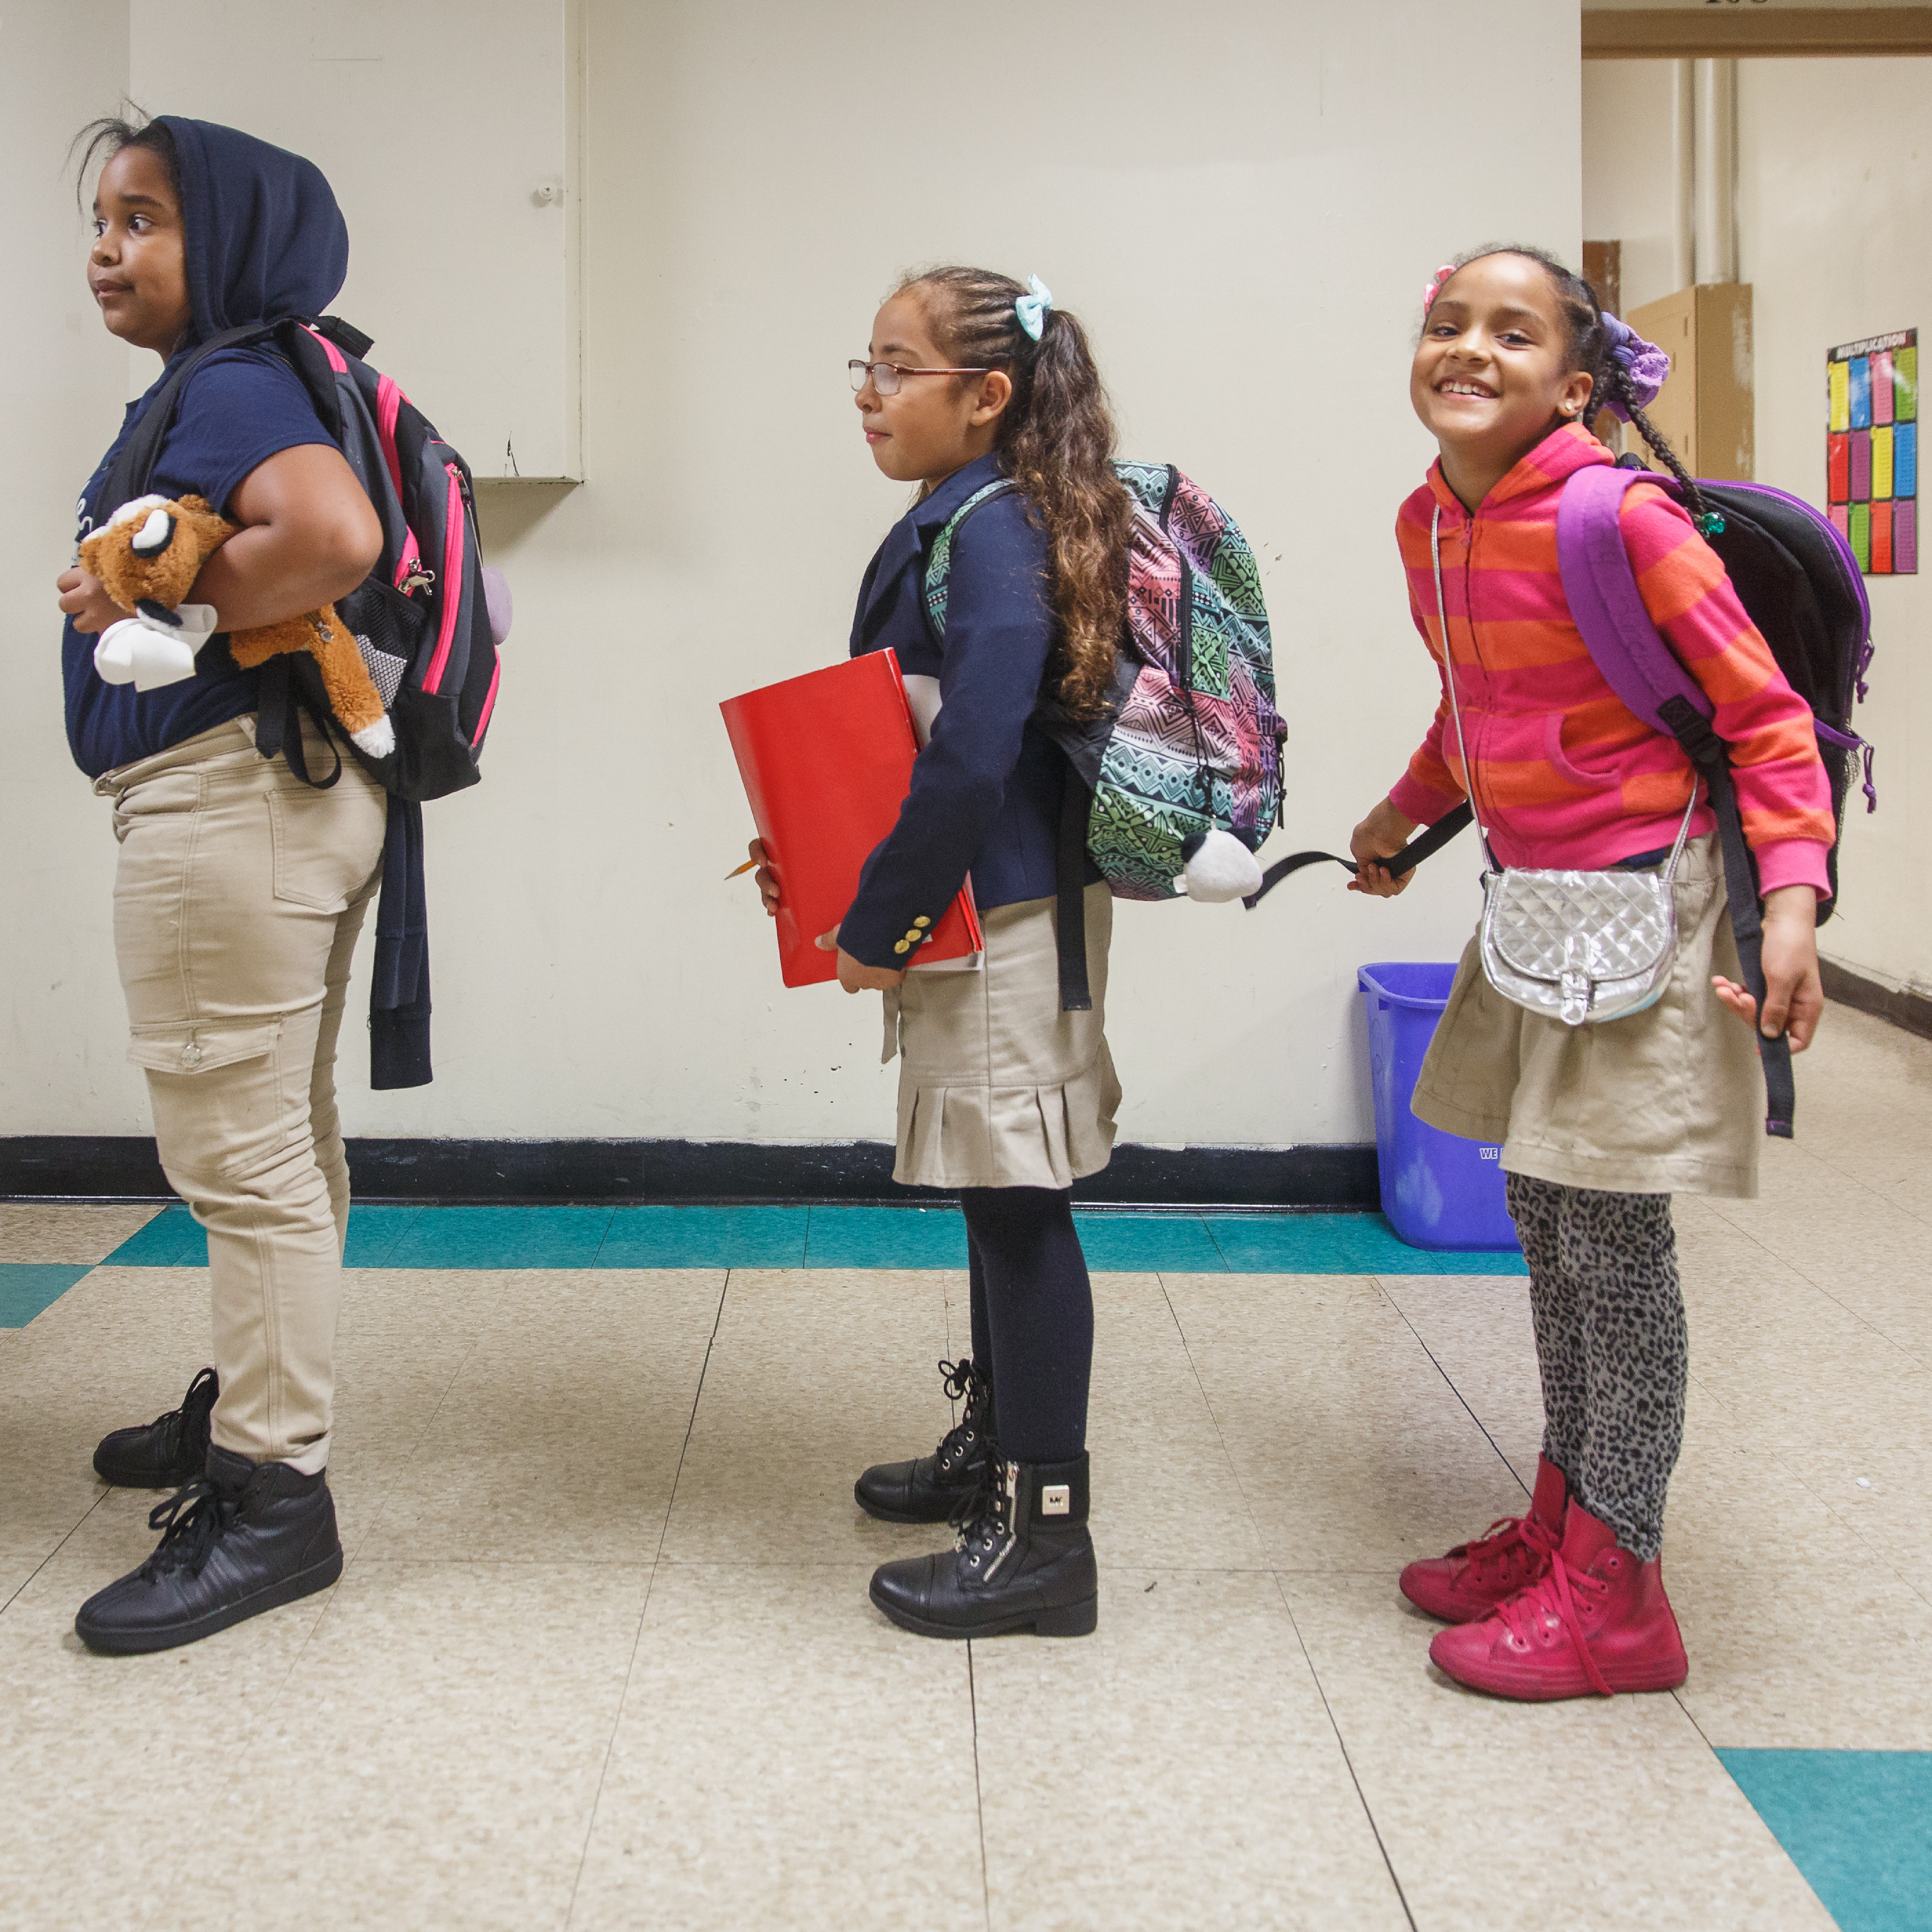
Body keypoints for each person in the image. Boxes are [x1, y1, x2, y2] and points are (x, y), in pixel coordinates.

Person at [1349, 247, 1833, 1699]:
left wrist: (1793, 910)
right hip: (1536, 907)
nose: (1469, 349)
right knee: (1547, 1219)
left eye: (1514, 331)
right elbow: (1476, 712)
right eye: (1447, 324)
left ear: (1577, 383)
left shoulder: (1619, 517)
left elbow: (1767, 724)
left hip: (1659, 908)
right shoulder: (1427, 526)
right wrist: (1392, 827)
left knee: (1615, 1250)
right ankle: (1568, 1521)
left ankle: (1622, 1597)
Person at [752, 267, 1129, 1639]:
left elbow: (972, 752)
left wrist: (880, 919)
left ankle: (1045, 1541)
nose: (868, 391)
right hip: (988, 913)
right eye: (863, 362)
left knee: (1020, 1201)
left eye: (896, 368)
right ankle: (1000, 1451)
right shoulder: (964, 514)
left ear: (988, 394)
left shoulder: (998, 530)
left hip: (1005, 921)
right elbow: (910, 735)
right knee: (993, 1186)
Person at [57, 116, 386, 1653]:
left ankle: (273, 1495)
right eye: (103, 219)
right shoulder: (279, 372)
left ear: (237, 242)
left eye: (145, 220)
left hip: (224, 805)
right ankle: (258, 1416)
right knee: (278, 1140)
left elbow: (330, 535)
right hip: (287, 801)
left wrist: (181, 593)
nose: (108, 247)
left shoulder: (235, 379)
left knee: (238, 1157)